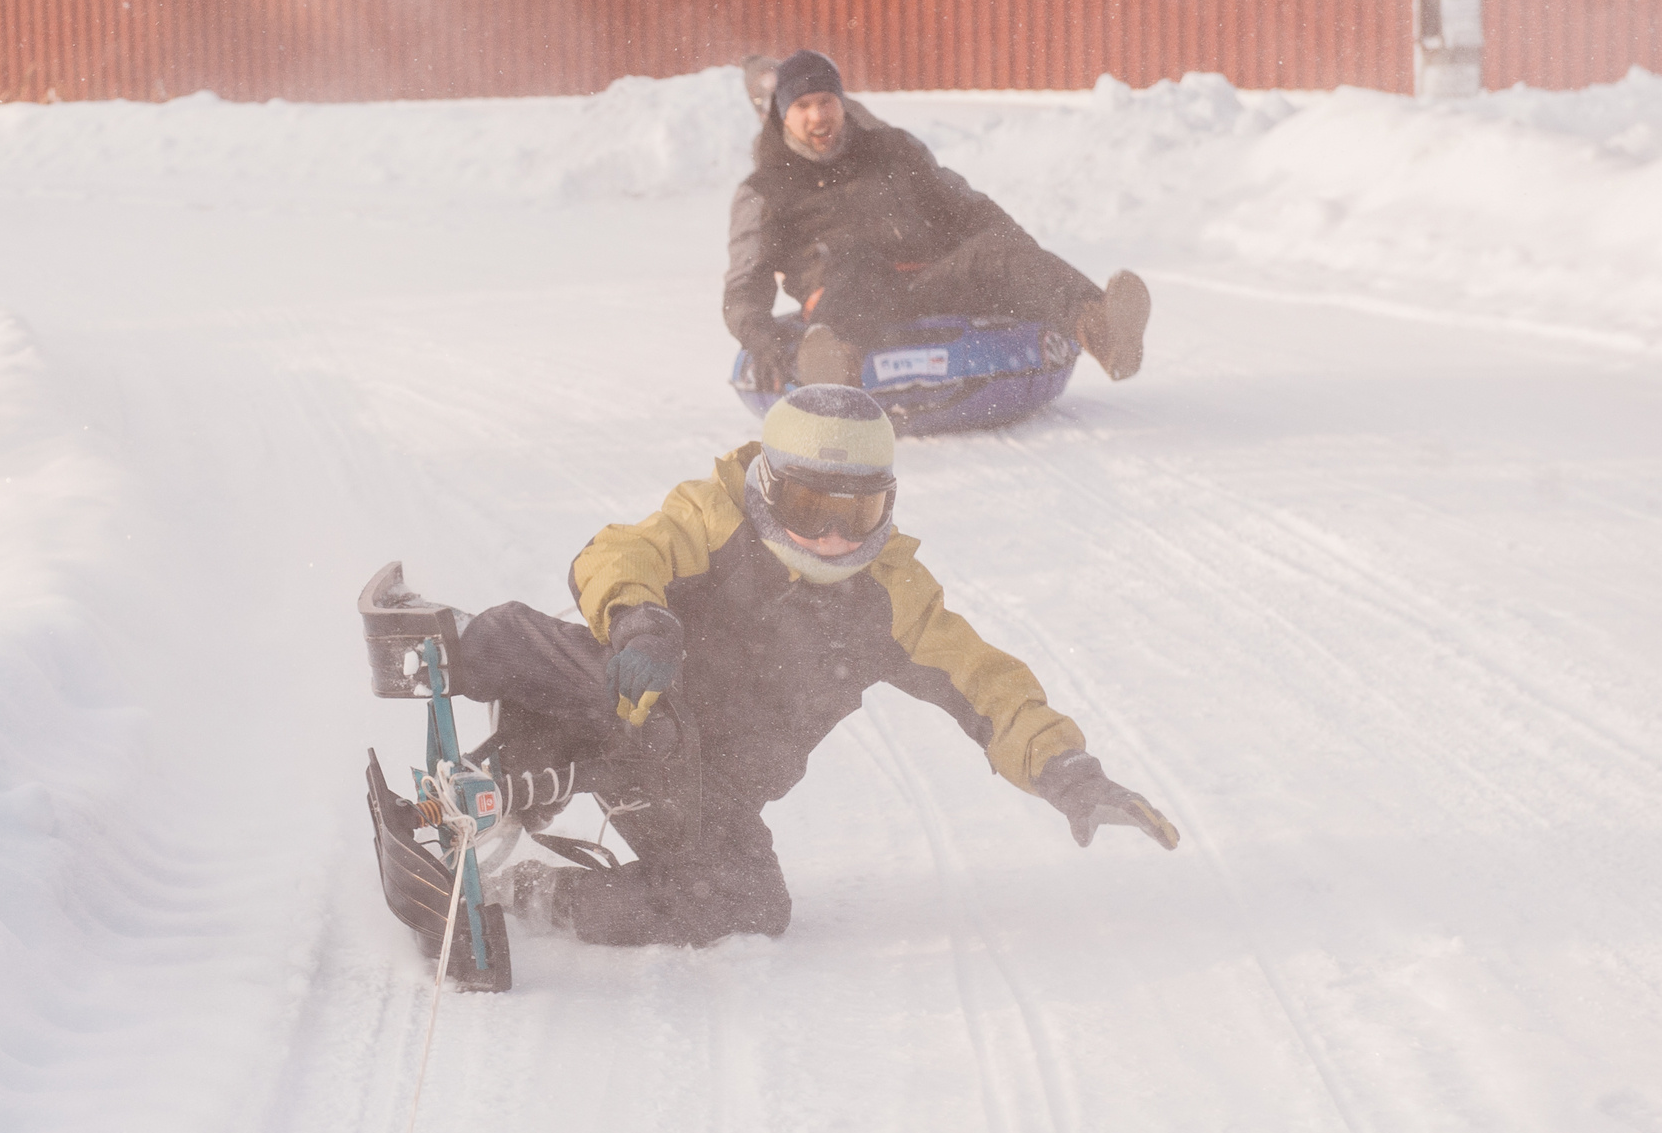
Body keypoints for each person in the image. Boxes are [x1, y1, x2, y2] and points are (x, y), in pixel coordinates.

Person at [452, 383, 1176, 948]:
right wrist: (641, 620)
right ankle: (462, 677)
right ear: (769, 487)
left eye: (854, 516)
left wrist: (1066, 770)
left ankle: (539, 895)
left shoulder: (891, 598)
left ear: (886, 508)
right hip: (625, 696)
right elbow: (620, 552)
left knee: (747, 906)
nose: (831, 537)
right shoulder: (717, 517)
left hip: (696, 783)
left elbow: (985, 681)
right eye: (809, 507)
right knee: (544, 651)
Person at [728, 50, 1152, 392]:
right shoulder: (766, 189)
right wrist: (765, 343)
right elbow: (745, 284)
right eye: (802, 106)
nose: (817, 115)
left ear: (842, 103)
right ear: (783, 115)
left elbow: (972, 211)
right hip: (846, 302)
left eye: (825, 101)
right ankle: (833, 379)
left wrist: (1024, 260)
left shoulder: (893, 151)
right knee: (856, 263)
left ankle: (1105, 331)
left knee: (995, 248)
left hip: (928, 286)